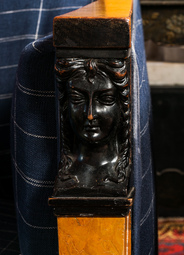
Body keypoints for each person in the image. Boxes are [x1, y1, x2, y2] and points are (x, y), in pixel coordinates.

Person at [54, 58, 131, 196]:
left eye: (105, 100)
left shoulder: (120, 173)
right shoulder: (68, 174)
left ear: (122, 106)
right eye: (77, 99)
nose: (90, 115)